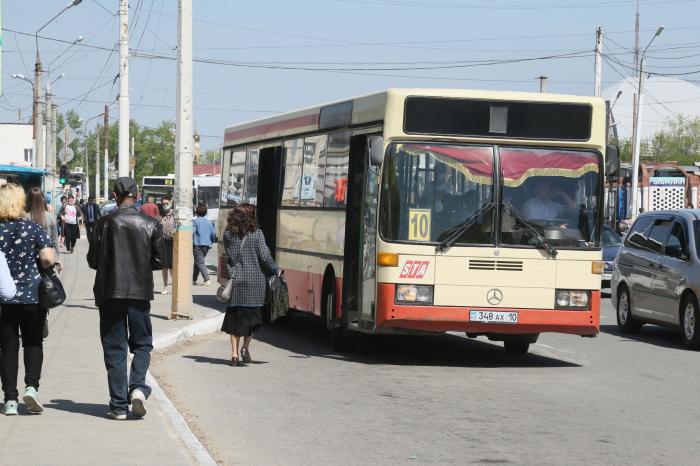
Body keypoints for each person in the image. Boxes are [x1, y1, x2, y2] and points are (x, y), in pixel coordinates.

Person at [88, 177, 165, 420]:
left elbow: (93, 260)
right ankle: (138, 388)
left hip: (109, 292)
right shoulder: (151, 224)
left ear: (114, 195)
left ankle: (119, 406)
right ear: (137, 194)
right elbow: (160, 261)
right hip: (140, 293)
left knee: (114, 347)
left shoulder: (104, 223)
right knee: (142, 344)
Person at [0, 184, 56, 416]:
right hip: (32, 296)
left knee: (7, 347)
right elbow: (46, 259)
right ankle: (31, 387)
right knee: (33, 342)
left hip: (3, 298)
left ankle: (10, 400)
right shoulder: (32, 227)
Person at [221, 203, 280, 367]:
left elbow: (230, 256)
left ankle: (234, 355)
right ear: (251, 217)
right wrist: (276, 269)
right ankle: (245, 348)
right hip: (255, 284)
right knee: (252, 320)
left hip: (237, 282)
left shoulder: (227, 235)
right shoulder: (257, 234)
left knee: (235, 321)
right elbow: (265, 256)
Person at [192, 202, 216, 286]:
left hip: (198, 245)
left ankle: (207, 279)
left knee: (200, 263)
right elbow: (213, 234)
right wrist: (212, 241)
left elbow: (192, 231)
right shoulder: (210, 222)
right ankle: (194, 279)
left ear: (197, 212)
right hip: (207, 245)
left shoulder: (195, 222)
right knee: (197, 262)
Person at [157, 196, 176, 295]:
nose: (165, 205)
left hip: (173, 242)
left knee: (172, 266)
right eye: (163, 203)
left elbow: (179, 226)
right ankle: (165, 287)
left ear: (170, 203)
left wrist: (175, 232)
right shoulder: (160, 215)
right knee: (164, 266)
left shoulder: (175, 214)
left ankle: (175, 286)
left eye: (166, 203)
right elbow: (157, 228)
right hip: (163, 242)